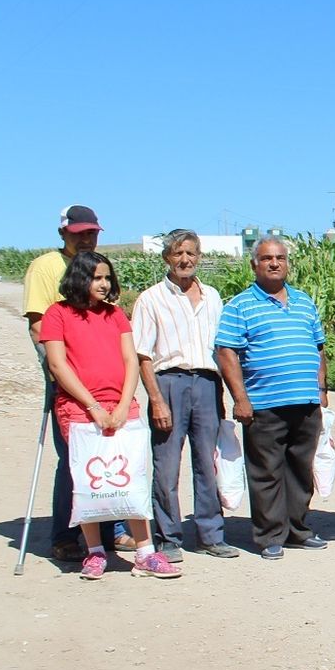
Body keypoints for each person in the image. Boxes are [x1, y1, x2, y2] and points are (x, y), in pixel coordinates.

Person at [39, 251, 179, 581]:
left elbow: (131, 360)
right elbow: (57, 364)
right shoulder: (57, 314)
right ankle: (95, 552)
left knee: (130, 474)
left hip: (121, 406)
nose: (103, 284)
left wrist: (123, 404)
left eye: (107, 277)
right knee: (89, 479)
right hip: (79, 409)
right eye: (96, 277)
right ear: (80, 278)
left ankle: (145, 553)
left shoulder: (115, 314)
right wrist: (94, 407)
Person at [22, 204, 131, 560]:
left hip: (106, 384)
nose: (86, 238)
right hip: (69, 380)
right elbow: (38, 325)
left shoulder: (99, 268)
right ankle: (66, 536)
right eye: (79, 233)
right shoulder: (46, 266)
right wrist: (59, 371)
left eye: (92, 233)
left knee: (111, 456)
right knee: (74, 459)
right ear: (63, 233)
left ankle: (113, 529)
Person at [215, 236, 330, 561]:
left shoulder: (304, 301)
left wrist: (321, 390)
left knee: (300, 469)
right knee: (266, 472)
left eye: (280, 257)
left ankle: (297, 530)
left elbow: (319, 348)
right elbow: (226, 353)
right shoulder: (240, 305)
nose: (275, 263)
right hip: (264, 403)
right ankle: (270, 535)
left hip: (305, 403)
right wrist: (240, 398)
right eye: (267, 258)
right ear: (254, 264)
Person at [131, 228, 238, 561]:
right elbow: (142, 354)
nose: (184, 259)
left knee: (207, 461)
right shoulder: (151, 298)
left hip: (206, 382)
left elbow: (222, 348)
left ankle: (210, 535)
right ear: (167, 257)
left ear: (199, 257)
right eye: (178, 253)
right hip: (169, 382)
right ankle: (168, 537)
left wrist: (225, 392)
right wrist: (156, 400)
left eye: (190, 253)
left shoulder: (212, 297)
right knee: (166, 466)